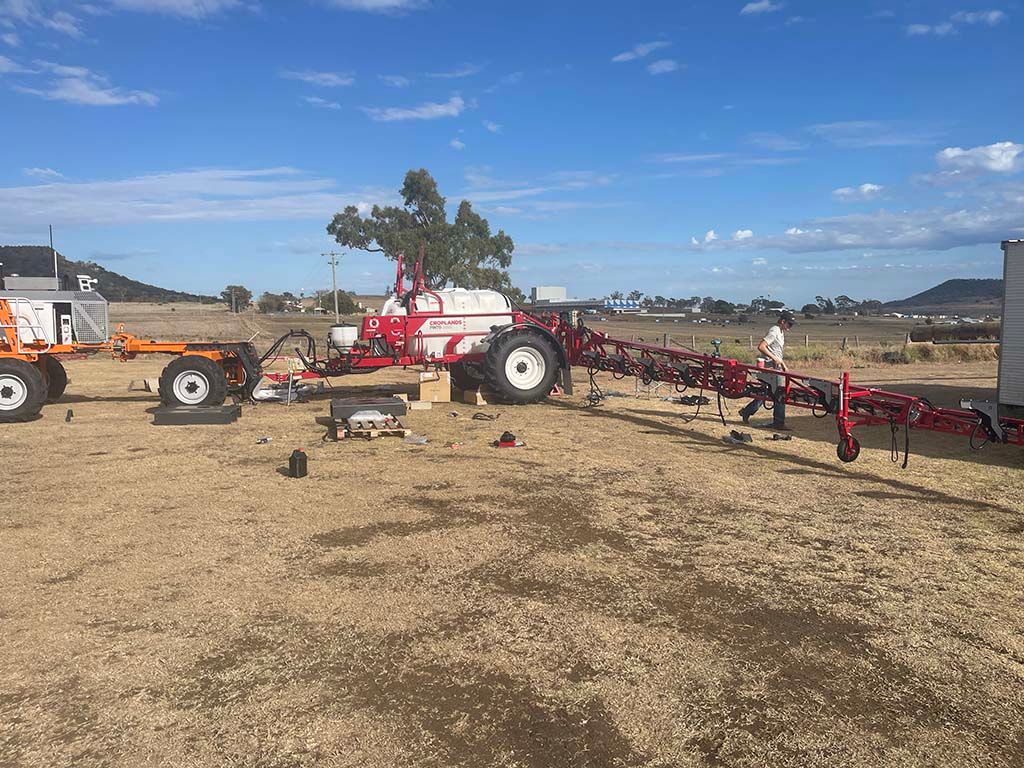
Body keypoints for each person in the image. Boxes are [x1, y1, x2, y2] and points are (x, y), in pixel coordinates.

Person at [740, 310, 795, 430]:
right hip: (771, 368)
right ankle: (779, 422)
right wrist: (774, 359)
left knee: (767, 393)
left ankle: (747, 411)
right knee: (780, 393)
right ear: (782, 321)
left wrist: (783, 365)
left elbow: (777, 352)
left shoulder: (780, 332)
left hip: (777, 367)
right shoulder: (774, 331)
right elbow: (761, 346)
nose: (790, 327)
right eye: (789, 324)